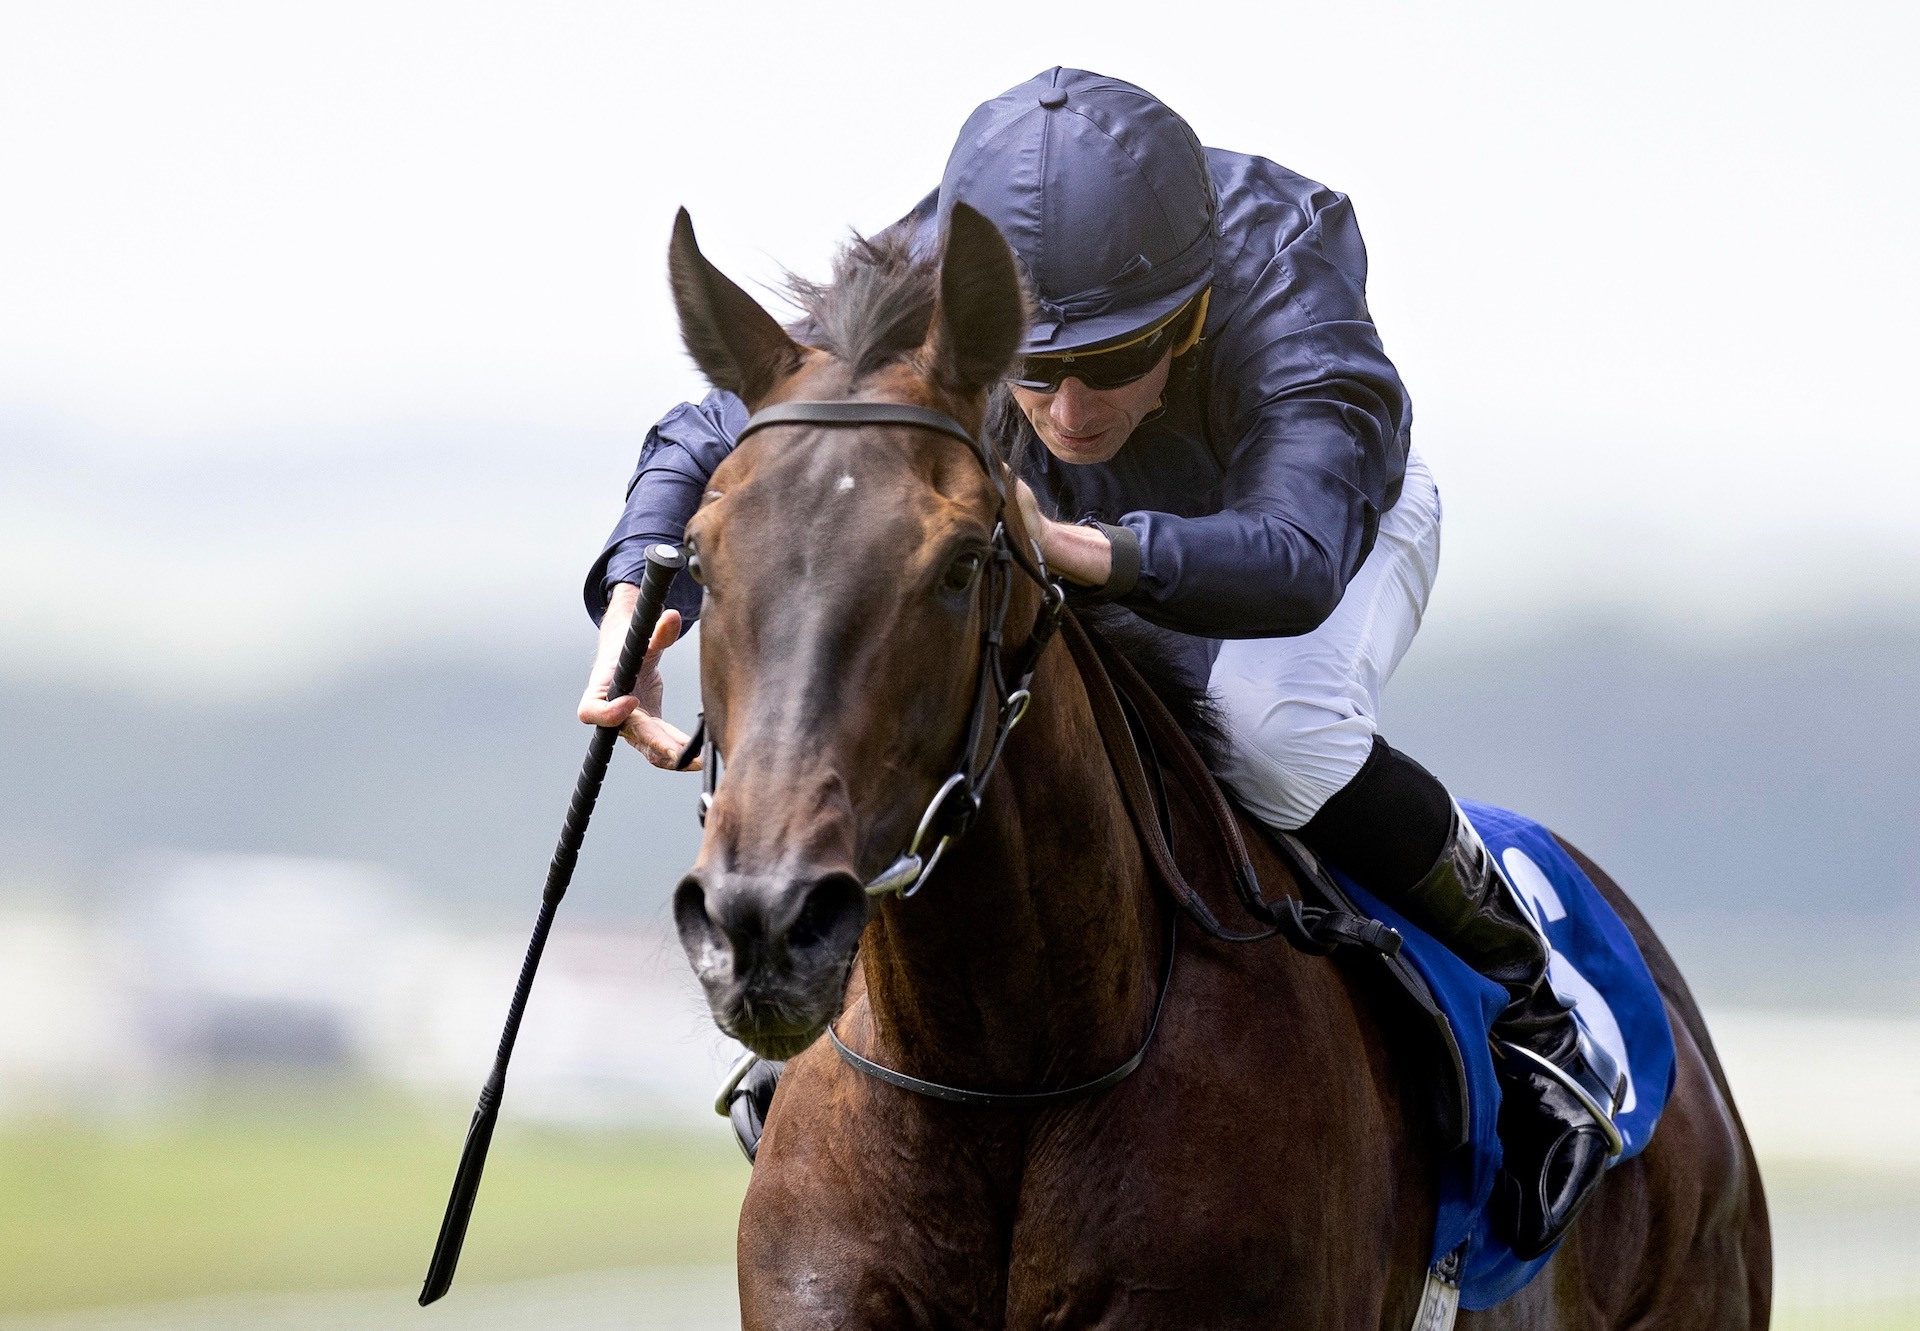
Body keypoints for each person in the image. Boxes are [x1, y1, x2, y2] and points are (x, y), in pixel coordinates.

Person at [578, 67, 1623, 1260]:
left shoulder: (1291, 266)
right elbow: (716, 424)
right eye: (1038, 367)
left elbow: (1295, 553)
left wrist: (1082, 544)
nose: (1069, 409)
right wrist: (637, 580)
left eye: (1115, 358)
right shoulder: (932, 268)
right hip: (1039, 514)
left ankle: (1525, 989)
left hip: (1311, 520)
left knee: (1271, 730)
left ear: (1188, 313)